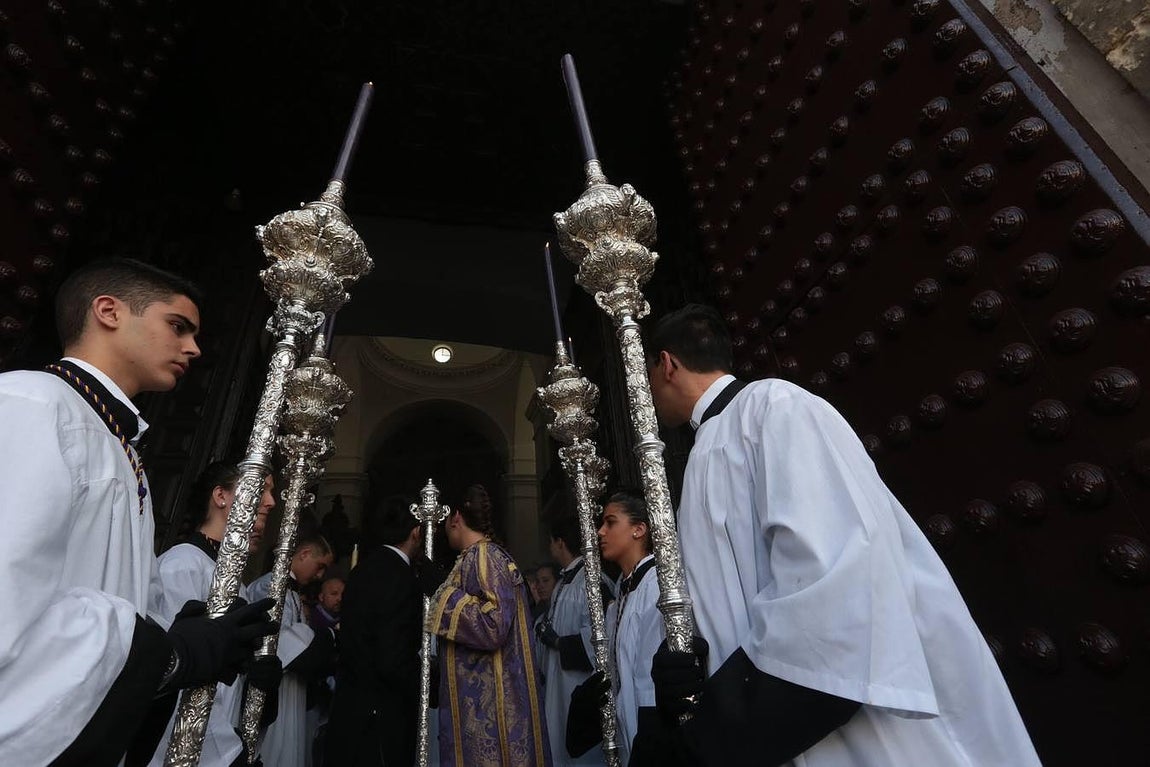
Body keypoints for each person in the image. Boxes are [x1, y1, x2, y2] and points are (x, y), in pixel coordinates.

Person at [633, 303, 1040, 766]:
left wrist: (731, 714)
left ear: (667, 364)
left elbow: (836, 576)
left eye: (647, 375)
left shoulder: (774, 407)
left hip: (830, 727)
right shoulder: (707, 446)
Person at [0, 258, 275, 766]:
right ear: (108, 311)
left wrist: (181, 637)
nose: (194, 348)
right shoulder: (29, 404)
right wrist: (169, 656)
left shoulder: (123, 449)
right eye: (178, 326)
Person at [147, 461, 283, 766]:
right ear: (221, 496)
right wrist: (226, 754)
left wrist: (257, 685)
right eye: (263, 489)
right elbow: (170, 677)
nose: (271, 502)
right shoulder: (183, 566)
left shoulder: (239, 585)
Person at [427, 484, 552, 766]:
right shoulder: (479, 557)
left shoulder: (483, 557)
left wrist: (442, 594)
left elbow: (493, 625)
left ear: (455, 517)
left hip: (492, 713)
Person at [325, 495, 443, 766]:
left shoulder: (361, 570)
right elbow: (391, 657)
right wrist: (428, 686)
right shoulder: (399, 577)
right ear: (416, 532)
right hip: (381, 713)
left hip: (349, 706)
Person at [566, 490, 662, 765]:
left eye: (610, 523)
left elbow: (649, 674)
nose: (600, 532)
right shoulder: (623, 589)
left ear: (638, 529)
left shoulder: (655, 585)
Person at [249, 536, 337, 767]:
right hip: (273, 689)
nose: (320, 576)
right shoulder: (269, 586)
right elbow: (284, 647)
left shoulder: (293, 594)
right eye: (320, 567)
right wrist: (329, 636)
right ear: (305, 553)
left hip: (291, 692)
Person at [535, 516, 615, 767]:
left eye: (551, 542)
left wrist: (559, 642)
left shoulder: (592, 582)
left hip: (578, 689)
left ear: (560, 543)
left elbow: (600, 639)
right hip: (557, 687)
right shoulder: (563, 584)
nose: (550, 548)